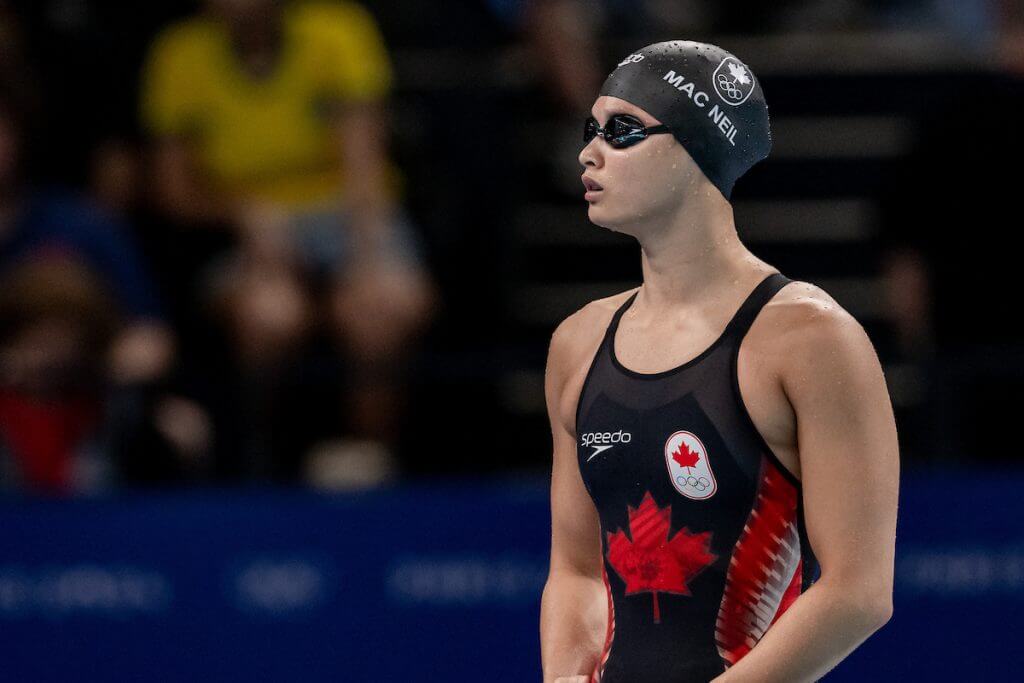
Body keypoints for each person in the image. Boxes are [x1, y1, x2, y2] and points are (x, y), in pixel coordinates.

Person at [539, 41, 899, 682]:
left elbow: (858, 592)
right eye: (589, 130)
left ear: (698, 149)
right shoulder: (578, 343)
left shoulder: (811, 339)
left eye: (622, 131)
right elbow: (576, 569)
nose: (588, 153)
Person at [139, 0, 437, 481]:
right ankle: (265, 468)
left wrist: (365, 261)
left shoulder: (338, 29)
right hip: (241, 227)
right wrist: (240, 213)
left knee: (383, 307)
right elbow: (172, 189)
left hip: (347, 214)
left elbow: (364, 162)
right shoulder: (179, 53)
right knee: (271, 316)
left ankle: (370, 461)